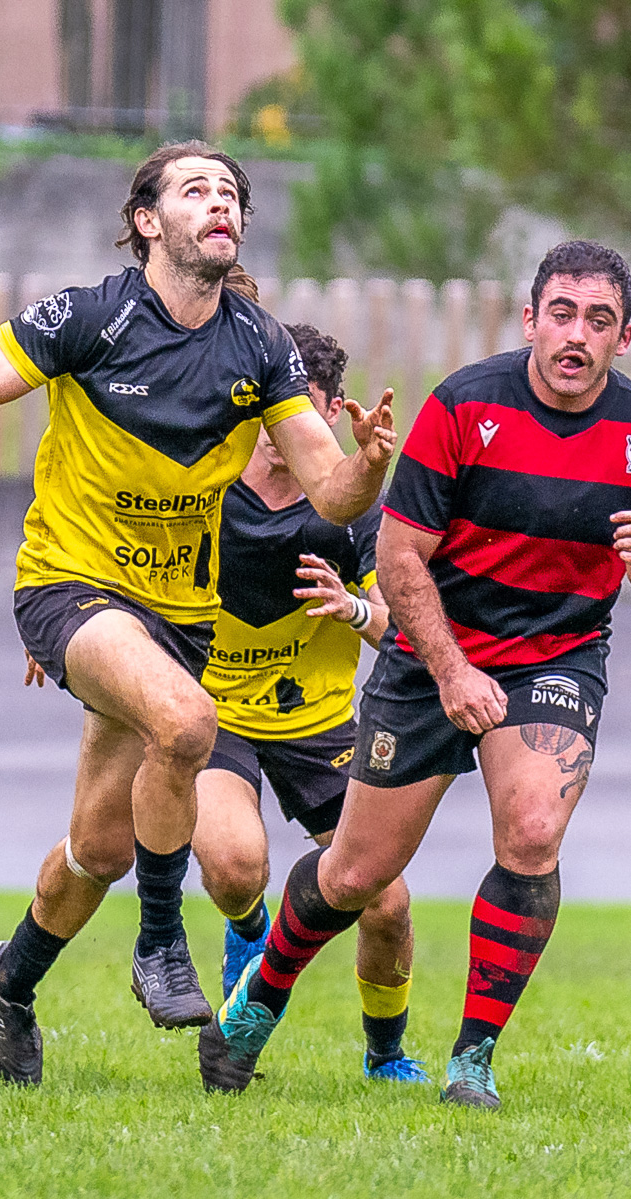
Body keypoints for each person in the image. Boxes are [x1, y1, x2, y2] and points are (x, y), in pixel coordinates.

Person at [0, 140, 394, 1086]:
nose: (220, 202)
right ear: (146, 221)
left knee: (96, 847)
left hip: (176, 618)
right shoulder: (90, 318)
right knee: (188, 720)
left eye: (232, 193)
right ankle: (163, 941)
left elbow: (328, 492)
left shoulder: (259, 343)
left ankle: (11, 977)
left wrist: (365, 463)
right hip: (70, 587)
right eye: (195, 188)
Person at [201, 241, 631, 1108]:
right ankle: (259, 1001)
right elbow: (401, 557)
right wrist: (449, 670)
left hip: (557, 658)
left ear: (624, 337)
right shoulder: (463, 405)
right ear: (530, 318)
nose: (576, 336)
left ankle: (471, 1059)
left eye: (599, 321)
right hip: (431, 652)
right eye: (561, 313)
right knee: (356, 875)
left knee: (530, 833)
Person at [190, 321, 425, 1084]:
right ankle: (248, 931)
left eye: (290, 408)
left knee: (386, 904)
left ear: (325, 413)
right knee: (233, 866)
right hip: (217, 714)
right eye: (261, 408)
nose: (271, 430)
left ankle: (385, 1055)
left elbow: (411, 630)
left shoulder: (354, 510)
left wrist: (355, 610)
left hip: (320, 723)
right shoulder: (203, 483)